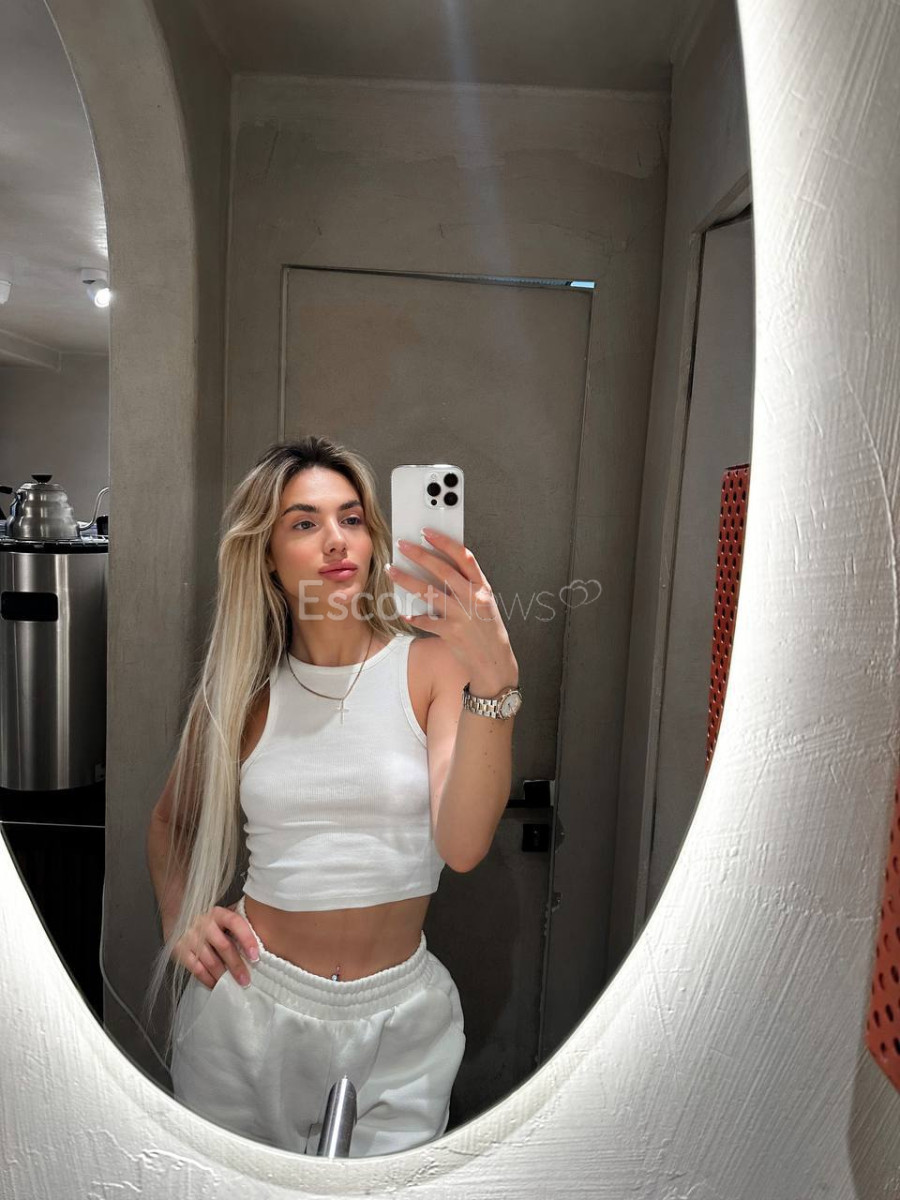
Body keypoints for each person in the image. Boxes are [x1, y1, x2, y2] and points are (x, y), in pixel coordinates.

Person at [143, 434, 522, 1156]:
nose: (336, 540)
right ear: (267, 554)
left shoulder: (433, 668)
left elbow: (464, 845)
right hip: (247, 1011)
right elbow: (170, 823)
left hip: (400, 1022)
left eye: (351, 518)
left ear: (375, 540)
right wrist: (181, 922)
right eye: (304, 523)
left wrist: (496, 679)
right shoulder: (243, 691)